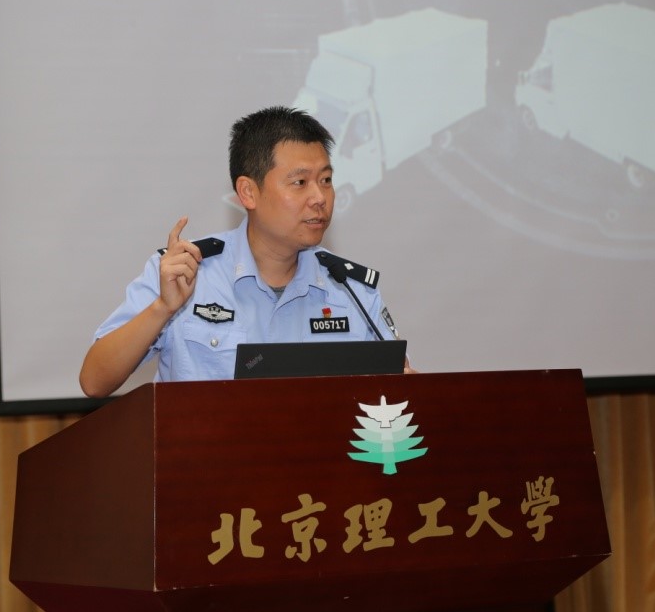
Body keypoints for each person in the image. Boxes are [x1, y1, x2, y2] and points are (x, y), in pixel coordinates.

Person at [79, 106, 409, 397]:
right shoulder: (184, 272)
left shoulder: (351, 290)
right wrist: (162, 308)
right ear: (248, 192)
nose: (320, 198)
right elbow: (94, 382)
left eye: (325, 180)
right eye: (300, 183)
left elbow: (403, 392)